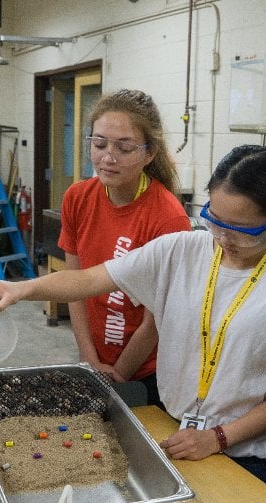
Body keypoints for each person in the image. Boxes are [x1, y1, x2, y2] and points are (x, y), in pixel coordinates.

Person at [0, 144, 266, 489]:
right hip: (174, 430)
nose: (222, 238)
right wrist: (21, 289)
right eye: (215, 220)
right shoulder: (180, 250)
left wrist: (218, 438)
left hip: (246, 457)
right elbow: (88, 279)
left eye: (242, 230)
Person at [61, 89, 190, 406]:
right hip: (93, 359)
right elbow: (74, 287)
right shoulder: (77, 198)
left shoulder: (167, 218)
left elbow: (155, 322)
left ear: (149, 153)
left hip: (147, 372)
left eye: (124, 148)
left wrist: (118, 376)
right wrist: (88, 358)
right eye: (99, 143)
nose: (107, 157)